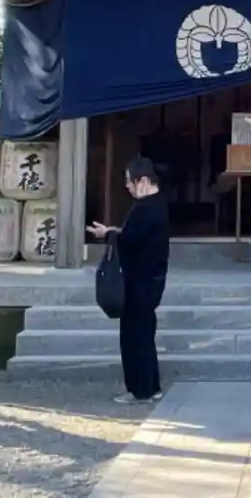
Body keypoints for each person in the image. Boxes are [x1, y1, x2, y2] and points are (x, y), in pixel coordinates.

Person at [89, 156, 171, 404]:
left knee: (135, 337)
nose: (127, 186)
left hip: (140, 282)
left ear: (142, 180)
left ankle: (141, 390)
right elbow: (134, 237)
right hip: (150, 279)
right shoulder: (157, 205)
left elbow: (130, 241)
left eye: (129, 181)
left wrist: (108, 234)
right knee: (144, 335)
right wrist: (112, 232)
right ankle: (150, 387)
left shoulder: (146, 208)